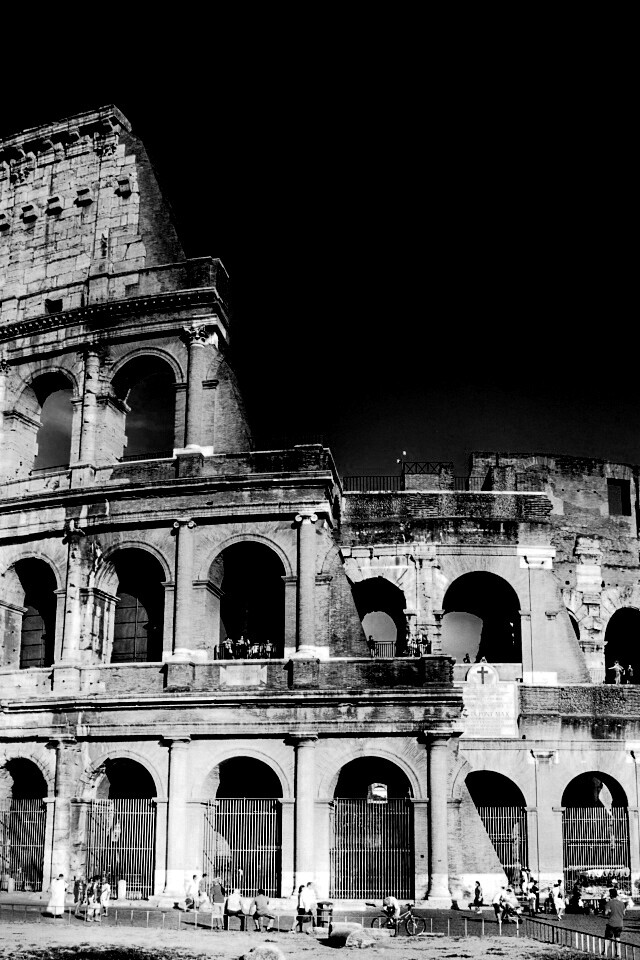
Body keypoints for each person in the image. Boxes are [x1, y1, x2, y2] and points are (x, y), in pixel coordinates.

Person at [603, 887, 626, 957]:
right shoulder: (622, 903)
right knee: (617, 938)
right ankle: (618, 953)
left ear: (611, 895)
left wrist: (609, 911)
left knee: (607, 938)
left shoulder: (609, 903)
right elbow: (624, 913)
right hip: (619, 923)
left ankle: (605, 952)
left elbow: (605, 913)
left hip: (611, 923)